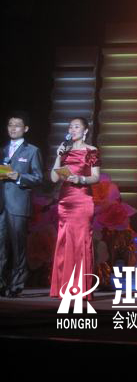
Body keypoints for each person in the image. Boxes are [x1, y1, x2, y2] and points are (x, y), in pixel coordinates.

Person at [49, 117, 100, 298]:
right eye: (70, 127)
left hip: (82, 199)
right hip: (65, 201)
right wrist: (58, 155)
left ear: (85, 131)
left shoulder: (92, 151)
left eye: (77, 127)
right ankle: (62, 287)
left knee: (81, 242)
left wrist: (81, 179)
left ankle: (80, 288)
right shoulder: (65, 151)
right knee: (64, 241)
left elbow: (96, 177)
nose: (72, 130)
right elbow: (54, 178)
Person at [0, 112, 43, 297]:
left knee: (18, 247)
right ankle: (1, 283)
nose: (13, 128)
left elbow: (38, 177)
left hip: (18, 205)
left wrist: (19, 177)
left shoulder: (32, 150)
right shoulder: (2, 150)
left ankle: (16, 284)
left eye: (17, 125)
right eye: (10, 125)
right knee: (1, 247)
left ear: (25, 129)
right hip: (1, 204)